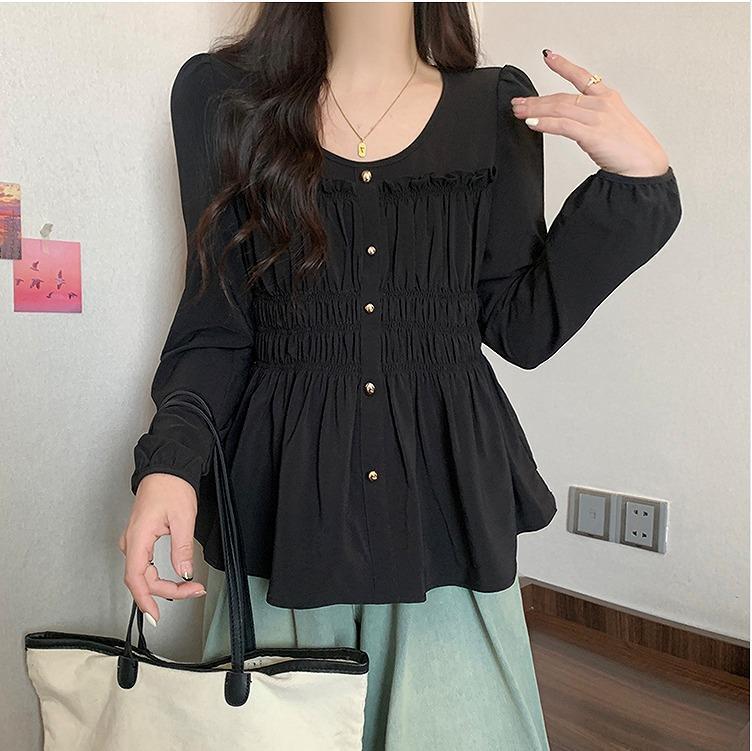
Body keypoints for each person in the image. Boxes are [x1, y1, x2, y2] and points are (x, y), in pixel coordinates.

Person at [119, 3, 682, 749]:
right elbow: (216, 325)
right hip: (284, 512)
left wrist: (639, 179)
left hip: (445, 511)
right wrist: (172, 463)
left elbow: (519, 325)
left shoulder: (494, 107)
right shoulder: (220, 98)